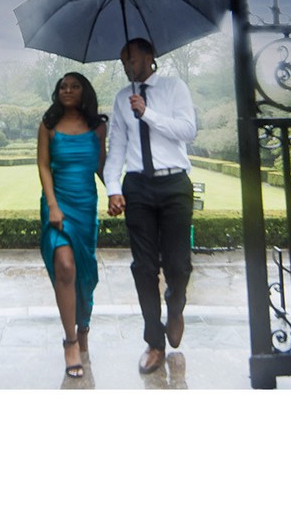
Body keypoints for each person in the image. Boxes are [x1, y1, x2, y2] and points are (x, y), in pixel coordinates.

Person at [104, 38, 196, 374]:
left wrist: (147, 113)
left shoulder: (174, 88)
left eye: (130, 57)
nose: (126, 64)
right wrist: (113, 188)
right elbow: (117, 146)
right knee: (143, 267)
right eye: (122, 60)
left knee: (178, 264)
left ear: (149, 57)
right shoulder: (120, 98)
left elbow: (188, 131)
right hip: (138, 186)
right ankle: (154, 342)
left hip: (174, 183)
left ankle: (175, 305)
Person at [37, 71, 107, 379]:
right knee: (64, 265)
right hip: (58, 205)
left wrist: (119, 194)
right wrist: (52, 205)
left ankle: (84, 325)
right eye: (63, 86)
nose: (67, 90)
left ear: (84, 92)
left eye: (74, 86)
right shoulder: (48, 126)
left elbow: (103, 166)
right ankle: (70, 341)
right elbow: (42, 165)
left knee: (85, 273)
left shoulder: (98, 128)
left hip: (85, 206)